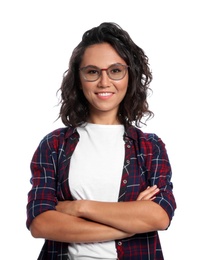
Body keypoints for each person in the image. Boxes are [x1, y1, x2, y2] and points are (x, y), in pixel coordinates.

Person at [26, 22, 176, 260]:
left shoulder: (149, 147)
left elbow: (159, 216)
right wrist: (129, 225)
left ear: (130, 75)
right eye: (93, 71)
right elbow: (41, 223)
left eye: (115, 70)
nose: (104, 82)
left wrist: (78, 207)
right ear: (79, 77)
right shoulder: (55, 145)